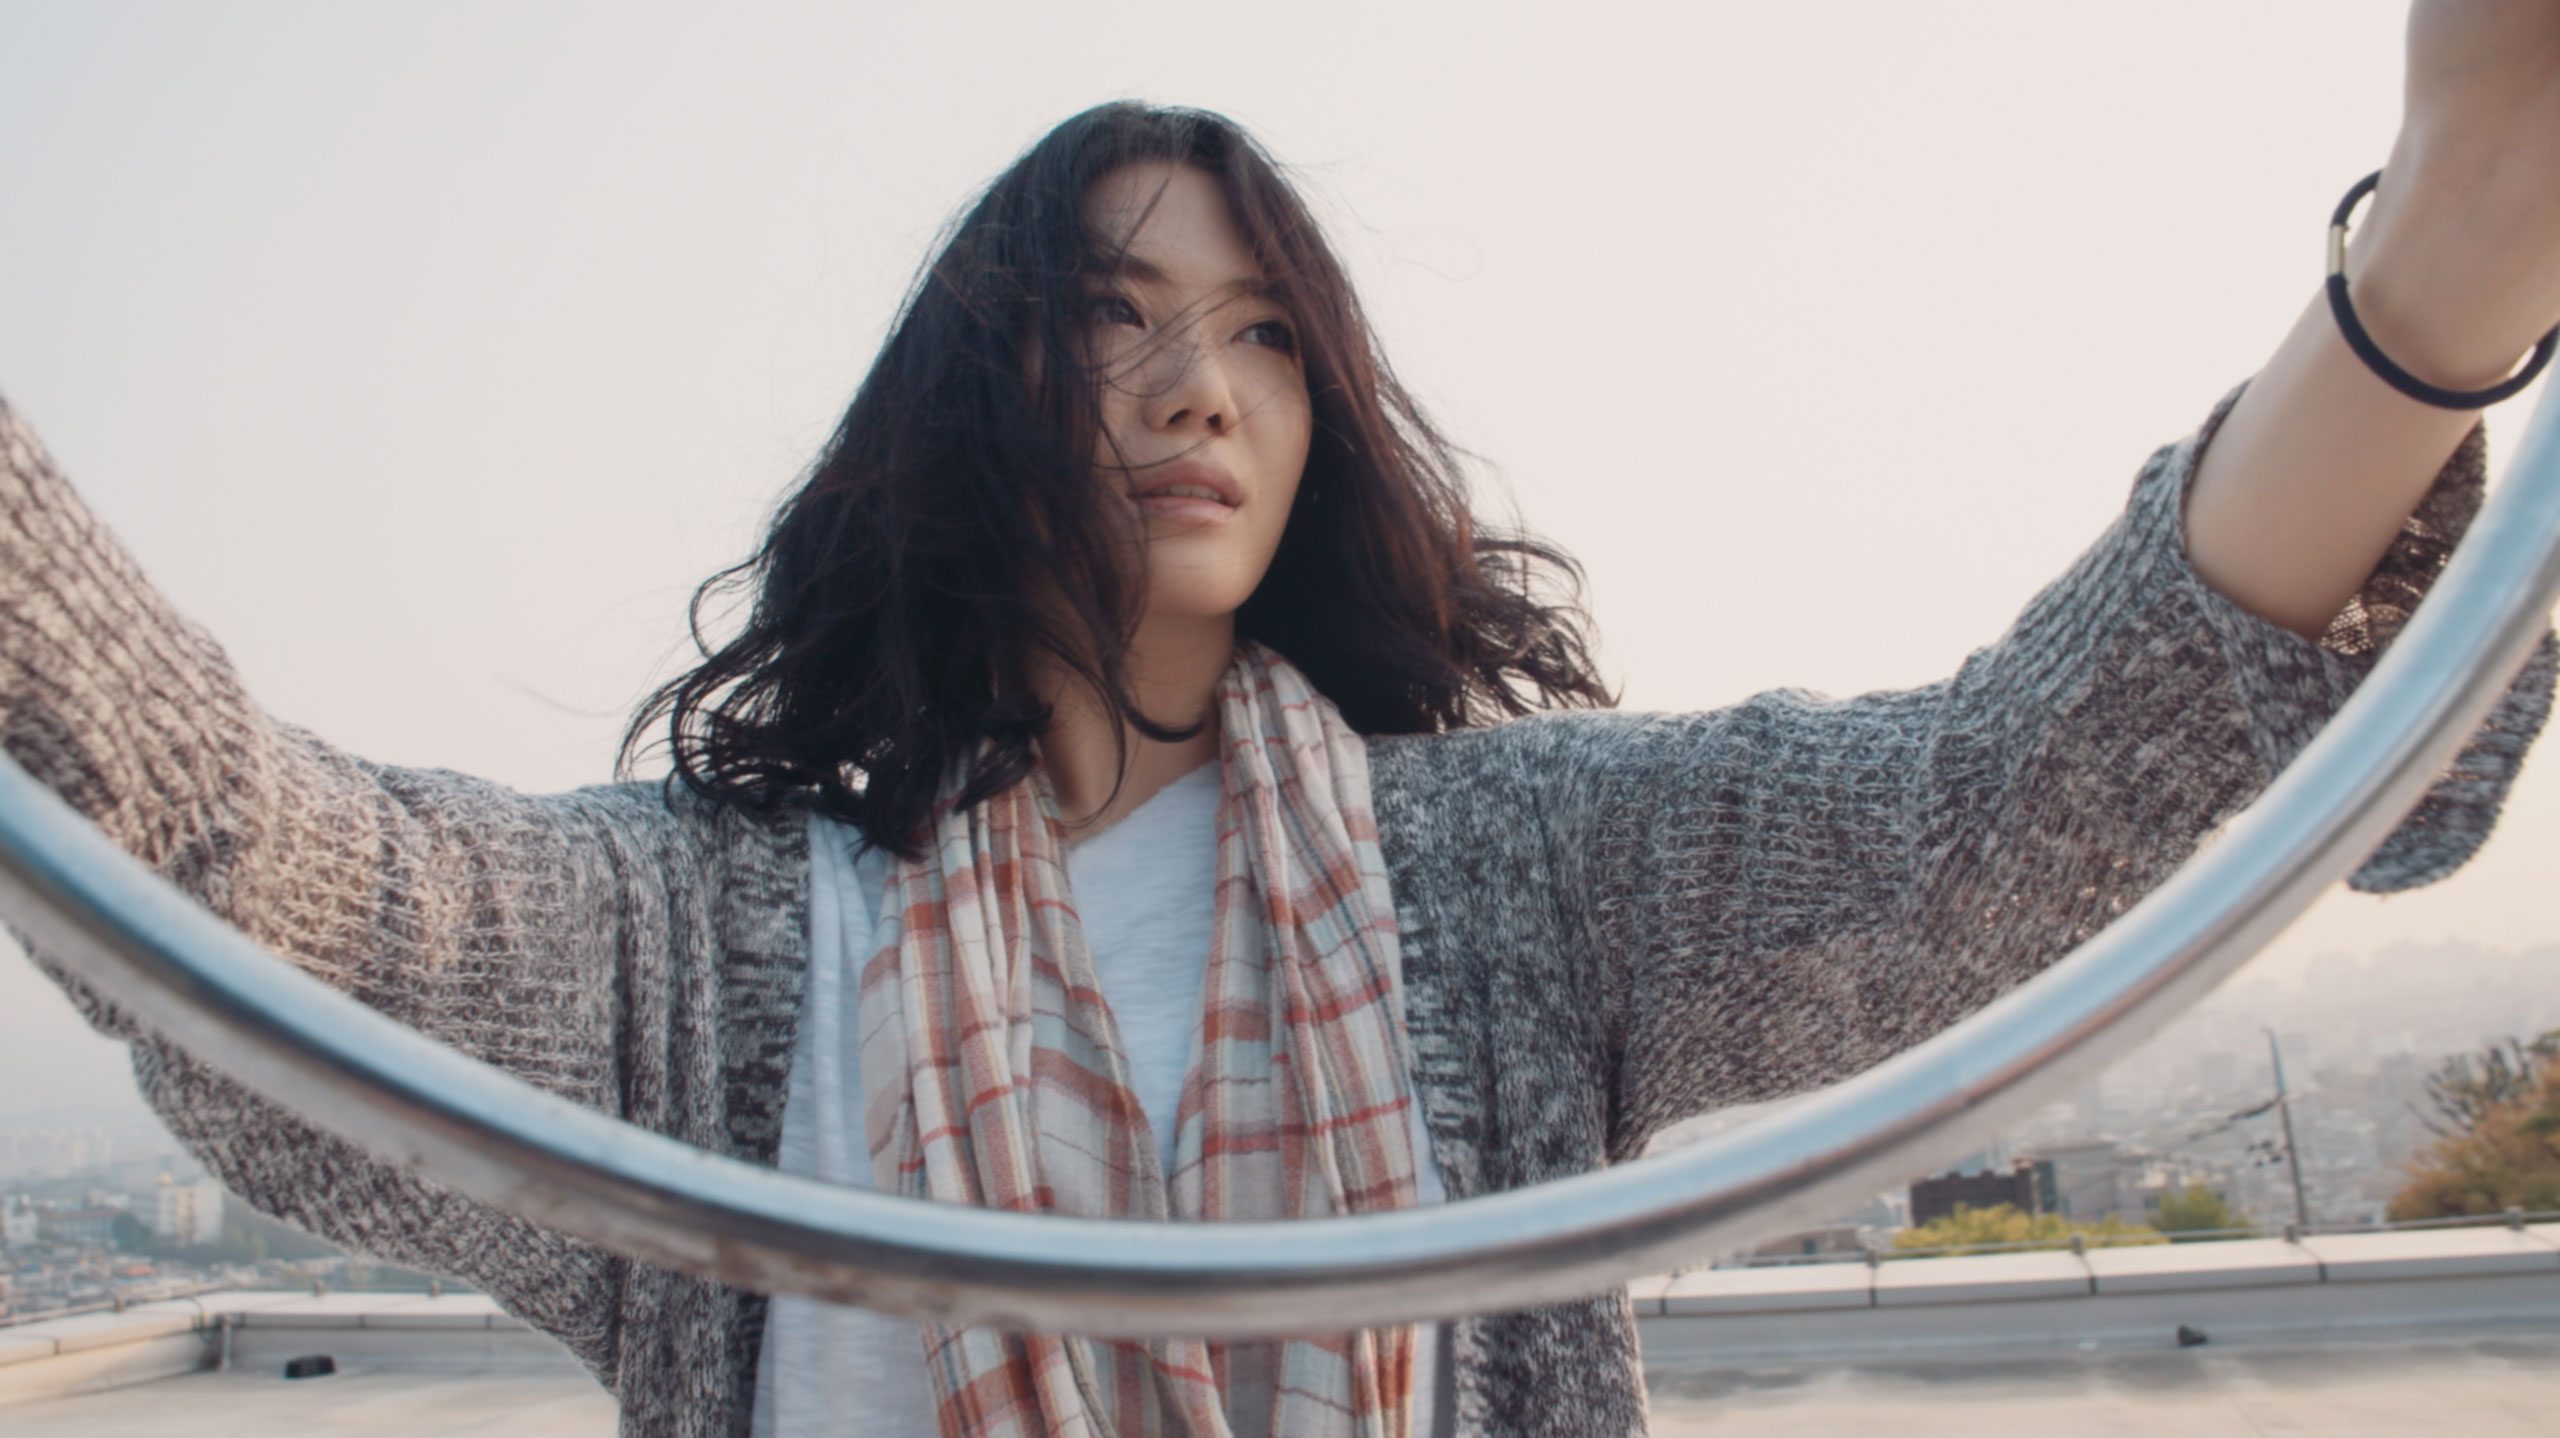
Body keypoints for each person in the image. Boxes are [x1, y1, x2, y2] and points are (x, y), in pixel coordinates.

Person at [6, 6, 2560, 1435]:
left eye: (1253, 328)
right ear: (964, 392)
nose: (1193, 380)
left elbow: (2011, 794)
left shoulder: (1505, 874)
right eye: (1108, 313)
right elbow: (272, 885)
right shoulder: (707, 939)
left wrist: (2448, 243)